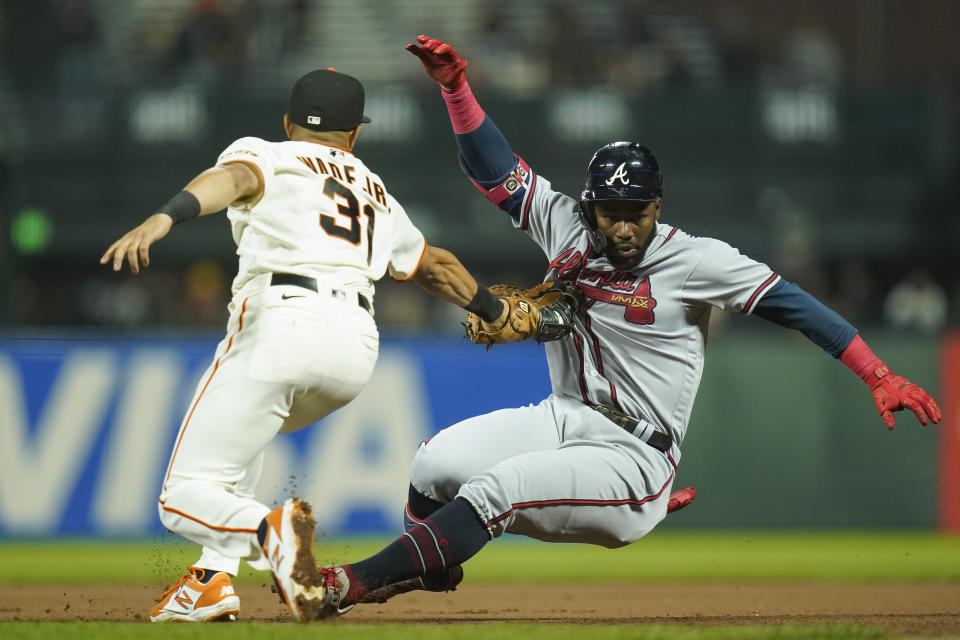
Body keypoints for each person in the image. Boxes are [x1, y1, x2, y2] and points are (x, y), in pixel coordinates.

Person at [273, 36, 943, 621]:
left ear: (657, 206)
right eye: (609, 211)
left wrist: (876, 374)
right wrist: (457, 90)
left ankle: (346, 584)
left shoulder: (698, 260)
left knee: (495, 491)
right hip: (563, 417)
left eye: (636, 212)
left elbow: (794, 304)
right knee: (433, 463)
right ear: (589, 206)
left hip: (635, 458)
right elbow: (492, 168)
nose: (621, 227)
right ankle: (431, 567)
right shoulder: (566, 222)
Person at [100, 68, 509, 623]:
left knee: (182, 495)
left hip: (282, 325)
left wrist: (165, 215)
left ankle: (270, 534)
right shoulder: (375, 190)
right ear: (354, 135)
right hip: (355, 350)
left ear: (289, 123)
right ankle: (210, 582)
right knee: (237, 450)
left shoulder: (271, 152)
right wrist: (491, 309)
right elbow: (432, 267)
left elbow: (234, 179)